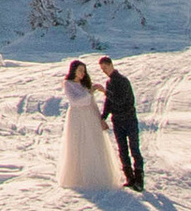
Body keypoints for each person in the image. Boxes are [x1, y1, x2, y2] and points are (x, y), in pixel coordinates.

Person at [57, 60, 122, 191]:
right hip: (77, 117)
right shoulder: (68, 84)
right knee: (78, 142)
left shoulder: (84, 85)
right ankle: (78, 176)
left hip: (90, 116)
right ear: (74, 70)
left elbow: (92, 103)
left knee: (93, 142)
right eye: (80, 70)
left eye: (84, 71)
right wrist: (90, 92)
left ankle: (95, 174)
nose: (82, 74)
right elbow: (76, 101)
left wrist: (101, 119)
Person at [98, 55, 144, 189]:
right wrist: (103, 117)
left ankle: (139, 179)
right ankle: (129, 178)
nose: (104, 71)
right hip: (117, 121)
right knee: (122, 150)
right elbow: (109, 103)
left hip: (129, 119)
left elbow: (121, 100)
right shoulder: (109, 83)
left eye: (105, 68)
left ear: (111, 65)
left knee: (134, 149)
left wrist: (105, 92)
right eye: (102, 69)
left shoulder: (123, 81)